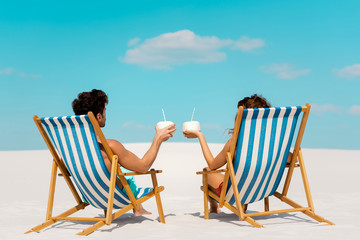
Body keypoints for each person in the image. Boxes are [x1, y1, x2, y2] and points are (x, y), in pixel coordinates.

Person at [72, 89, 176, 216]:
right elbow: (143, 166)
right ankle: (138, 208)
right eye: (105, 111)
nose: (105, 115)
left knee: (118, 169)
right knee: (127, 176)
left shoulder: (71, 150)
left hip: (90, 196)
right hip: (113, 196)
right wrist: (158, 139)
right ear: (99, 117)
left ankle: (138, 208)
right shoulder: (110, 146)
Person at [183, 94, 271, 214]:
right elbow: (292, 160)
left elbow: (212, 165)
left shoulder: (234, 144)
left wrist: (200, 136)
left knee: (207, 171)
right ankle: (242, 203)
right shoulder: (272, 144)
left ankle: (214, 208)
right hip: (261, 188)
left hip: (235, 191)